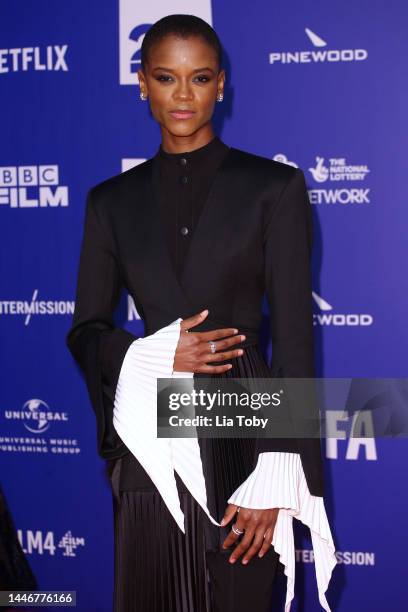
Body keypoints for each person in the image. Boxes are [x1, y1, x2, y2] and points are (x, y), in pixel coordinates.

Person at [66, 13, 336, 612]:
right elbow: (86, 330)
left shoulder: (274, 188)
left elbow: (293, 342)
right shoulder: (110, 202)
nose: (182, 95)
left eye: (199, 78)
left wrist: (277, 473)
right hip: (152, 436)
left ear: (221, 84)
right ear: (142, 83)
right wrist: (152, 352)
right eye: (166, 77)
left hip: (245, 430)